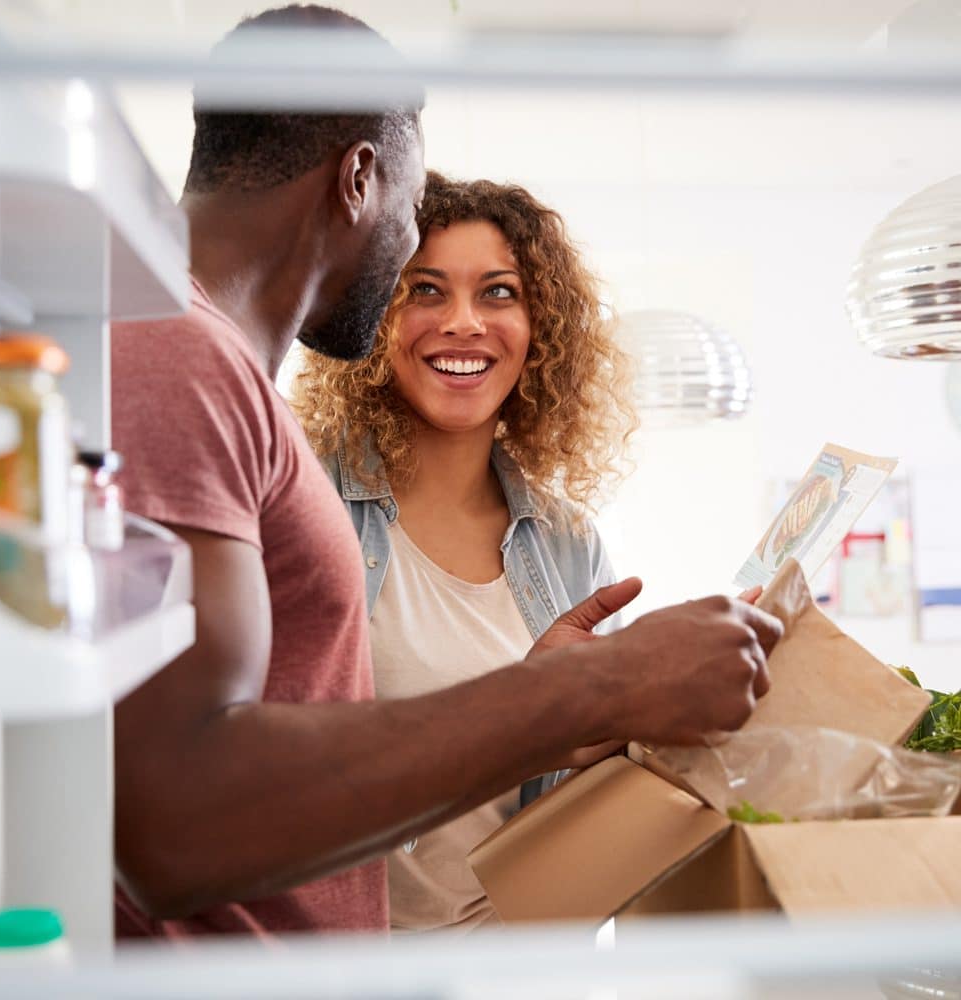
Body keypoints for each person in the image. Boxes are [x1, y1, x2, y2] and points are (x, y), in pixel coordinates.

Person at [111, 4, 783, 940]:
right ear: (360, 179)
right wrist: (593, 686)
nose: (419, 284)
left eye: (496, 293)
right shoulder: (176, 355)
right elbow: (171, 824)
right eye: (413, 221)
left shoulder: (197, 362)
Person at [291, 172, 638, 931]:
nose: (463, 323)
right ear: (377, 313)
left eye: (499, 292)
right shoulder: (302, 502)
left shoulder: (568, 543)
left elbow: (602, 794)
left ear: (540, 325)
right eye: (424, 289)